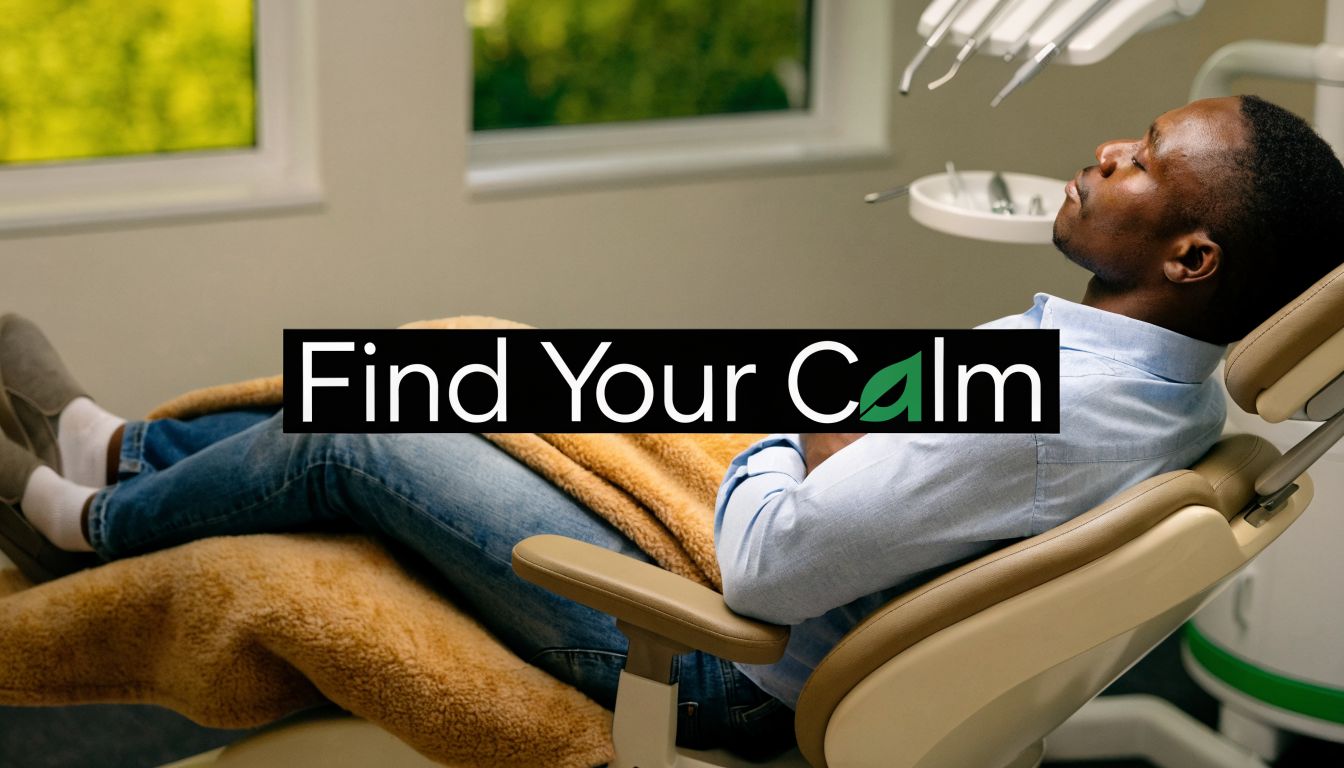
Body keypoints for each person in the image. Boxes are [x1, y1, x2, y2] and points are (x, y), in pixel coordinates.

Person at [0, 95, 1341, 759]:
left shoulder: (1057, 405)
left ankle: (84, 527)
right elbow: (896, 432)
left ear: (1195, 255)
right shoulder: (1151, 381)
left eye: (1145, 159)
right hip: (780, 568)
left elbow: (768, 564)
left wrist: (785, 427)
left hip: (709, 663)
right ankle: (123, 455)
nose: (1110, 154)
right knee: (460, 363)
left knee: (363, 431)